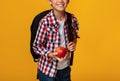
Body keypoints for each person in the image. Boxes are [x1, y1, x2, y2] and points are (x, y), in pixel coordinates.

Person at [32, 0, 79, 81]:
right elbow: (36, 46)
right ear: (50, 2)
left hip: (65, 69)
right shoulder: (45, 22)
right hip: (47, 71)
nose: (60, 0)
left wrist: (73, 45)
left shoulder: (72, 19)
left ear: (68, 1)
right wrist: (50, 54)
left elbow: (74, 37)